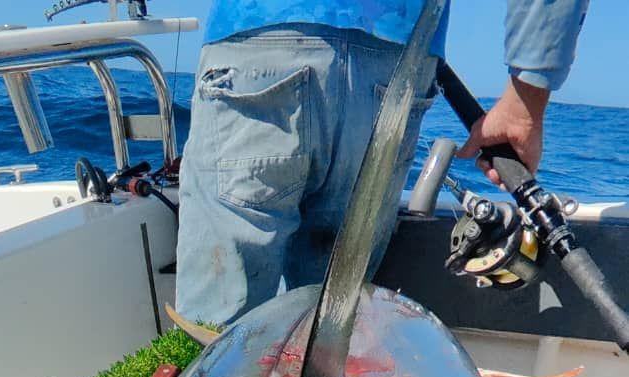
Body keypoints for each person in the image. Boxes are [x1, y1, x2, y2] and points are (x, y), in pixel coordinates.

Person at [175, 0, 590, 325]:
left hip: (259, 39)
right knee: (327, 327)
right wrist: (525, 101)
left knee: (215, 327)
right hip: (396, 61)